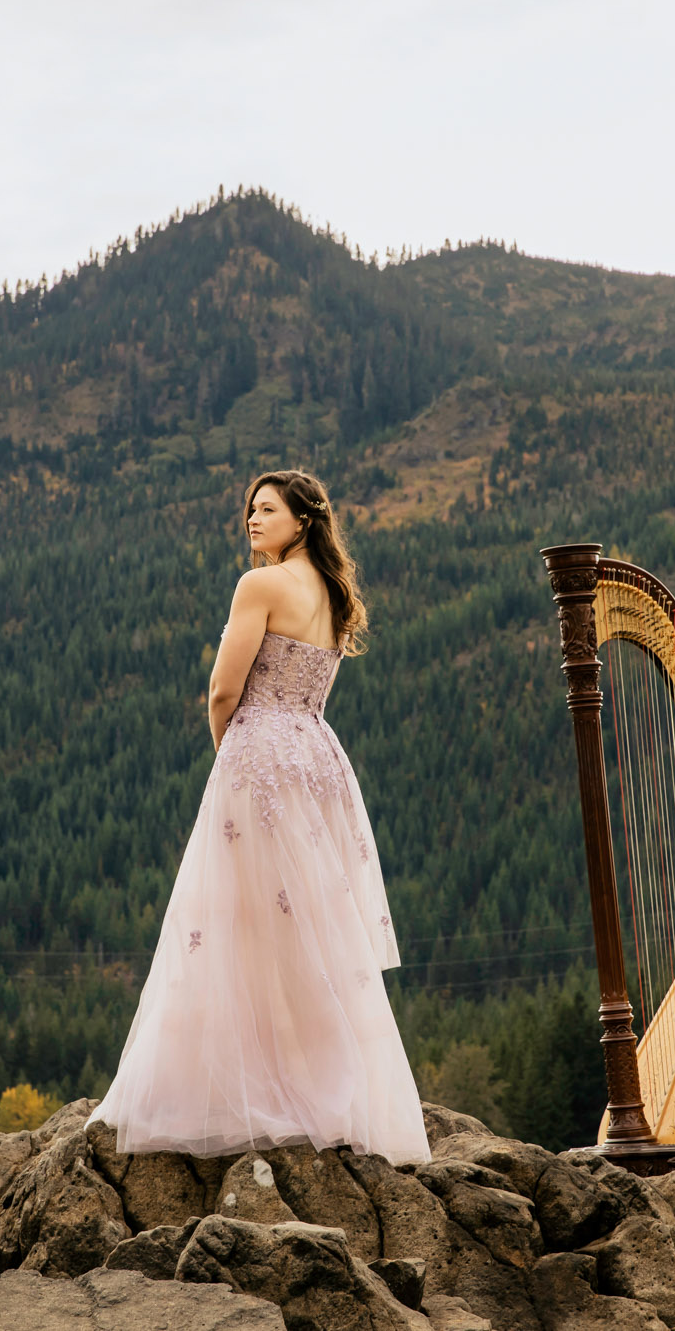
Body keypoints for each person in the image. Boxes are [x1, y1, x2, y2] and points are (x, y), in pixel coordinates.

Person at [87, 470, 430, 1165]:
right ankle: (327, 1084)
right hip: (317, 754)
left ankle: (245, 1089)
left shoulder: (260, 586)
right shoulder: (335, 597)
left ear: (302, 519)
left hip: (261, 753)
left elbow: (223, 687)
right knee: (309, 926)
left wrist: (230, 754)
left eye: (266, 508)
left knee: (233, 922)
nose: (251, 518)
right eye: (249, 508)